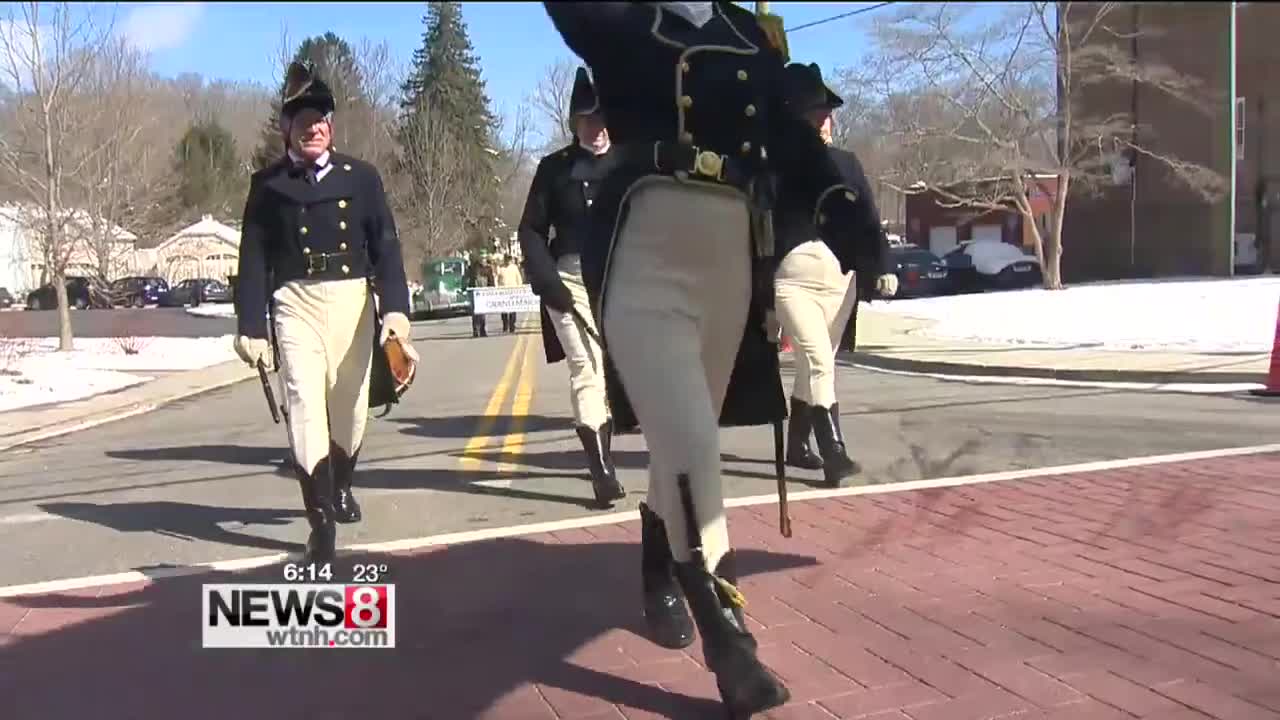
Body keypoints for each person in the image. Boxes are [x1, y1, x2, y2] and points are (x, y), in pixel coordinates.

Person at [543, 4, 885, 716]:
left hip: (729, 261)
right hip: (646, 254)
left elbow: (793, 140)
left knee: (683, 441)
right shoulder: (621, 19)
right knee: (693, 445)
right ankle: (731, 642)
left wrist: (855, 225)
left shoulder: (745, 34)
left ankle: (655, 553)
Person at [232, 60, 415, 564]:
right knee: (306, 404)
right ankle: (320, 522)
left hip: (354, 302)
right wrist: (250, 325)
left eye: (320, 119)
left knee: (351, 409)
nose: (311, 127)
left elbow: (387, 248)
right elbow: (253, 259)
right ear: (285, 127)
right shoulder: (266, 186)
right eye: (301, 118)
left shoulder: (363, 178)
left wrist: (396, 313)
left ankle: (340, 485)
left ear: (331, 126)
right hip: (295, 305)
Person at [774, 63, 896, 486]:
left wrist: (881, 266)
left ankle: (796, 446)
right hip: (792, 282)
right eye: (814, 114)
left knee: (817, 366)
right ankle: (834, 452)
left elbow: (868, 218)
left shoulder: (848, 163)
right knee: (818, 360)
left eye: (827, 114)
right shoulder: (780, 164)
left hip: (841, 283)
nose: (824, 121)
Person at [517, 67, 626, 508]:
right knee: (587, 368)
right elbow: (530, 230)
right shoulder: (554, 169)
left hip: (623, 280)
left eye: (602, 118)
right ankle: (601, 472)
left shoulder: (630, 164)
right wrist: (547, 282)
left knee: (615, 376)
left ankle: (606, 455)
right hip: (571, 281)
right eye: (588, 119)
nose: (597, 128)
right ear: (574, 122)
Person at [495, 255, 524, 333]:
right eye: (506, 260)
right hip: (503, 291)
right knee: (504, 310)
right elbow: (496, 278)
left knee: (512, 309)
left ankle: (512, 325)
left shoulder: (514, 268)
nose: (507, 261)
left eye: (509, 260)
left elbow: (519, 278)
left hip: (513, 291)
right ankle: (505, 325)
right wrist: (496, 288)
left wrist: (520, 288)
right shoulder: (500, 268)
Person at [466, 256, 493, 338]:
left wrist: (464, 288)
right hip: (482, 293)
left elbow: (465, 279)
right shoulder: (486, 269)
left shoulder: (470, 269)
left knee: (475, 312)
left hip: (474, 293)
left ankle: (476, 330)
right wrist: (491, 288)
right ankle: (482, 330)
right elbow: (491, 280)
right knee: (481, 312)